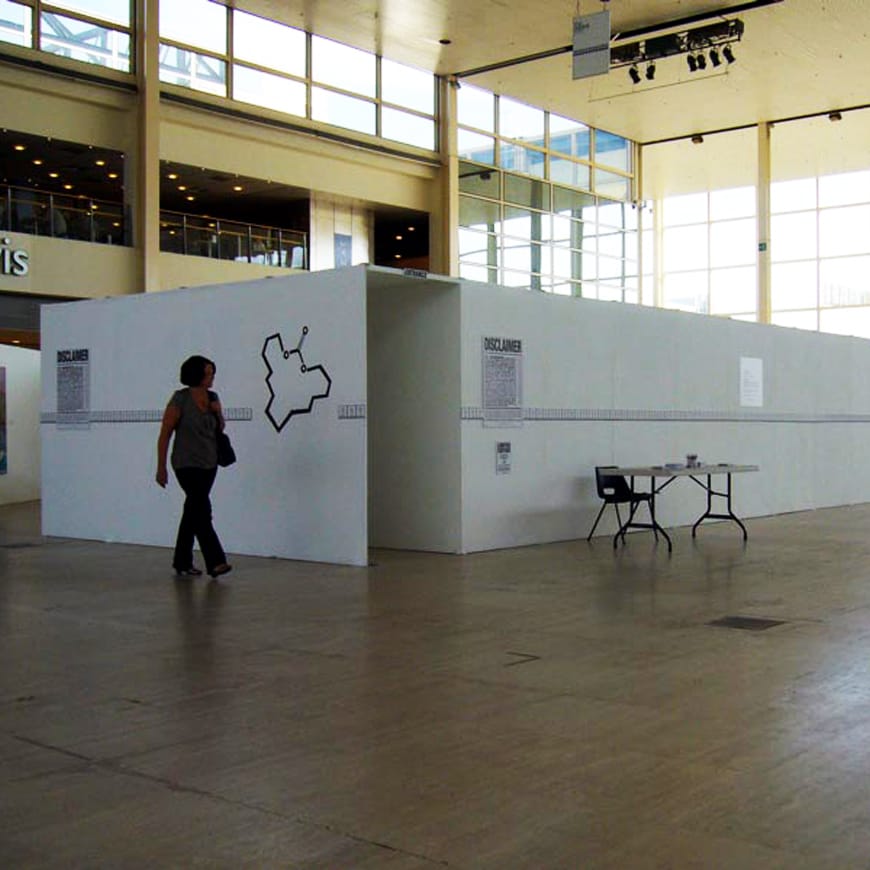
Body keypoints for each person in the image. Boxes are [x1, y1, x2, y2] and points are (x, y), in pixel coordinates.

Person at [156, 355, 232, 579]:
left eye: (212, 373)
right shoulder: (180, 399)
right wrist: (161, 467)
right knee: (202, 511)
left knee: (192, 510)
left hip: (209, 463)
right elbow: (165, 434)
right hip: (186, 464)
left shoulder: (212, 397)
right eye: (208, 373)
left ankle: (182, 561)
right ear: (197, 374)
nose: (212, 377)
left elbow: (220, 428)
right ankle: (216, 560)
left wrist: (217, 411)